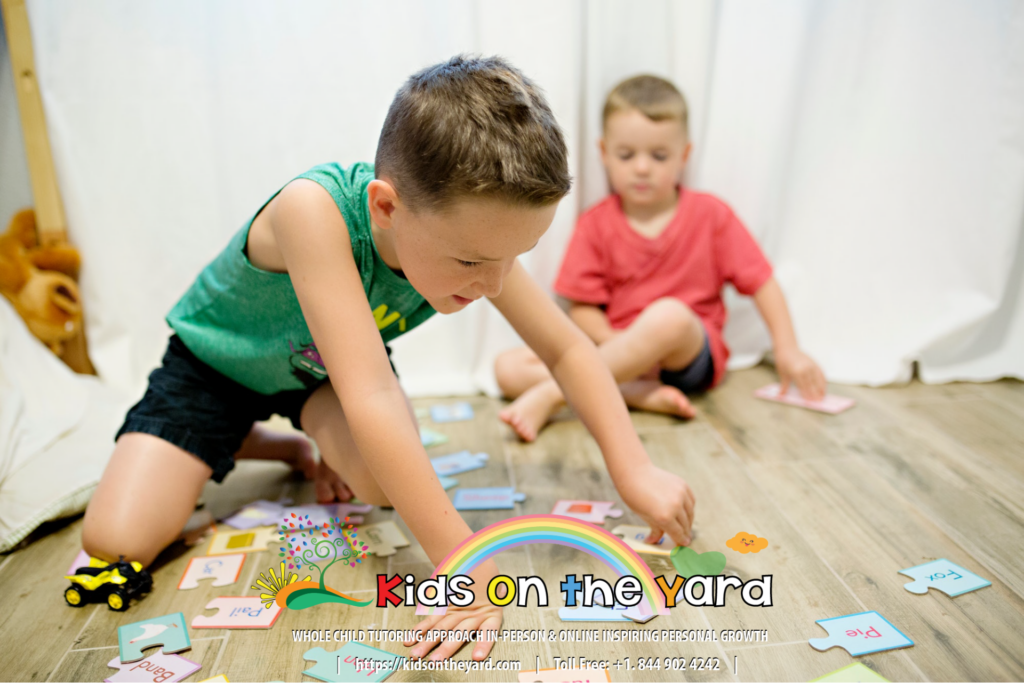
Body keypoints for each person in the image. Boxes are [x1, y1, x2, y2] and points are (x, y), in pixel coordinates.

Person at [81, 57, 695, 662]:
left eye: (518, 253)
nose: (495, 282)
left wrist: (633, 469)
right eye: (471, 261)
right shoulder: (310, 208)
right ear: (385, 208)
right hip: (215, 370)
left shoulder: (483, 241)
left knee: (377, 485)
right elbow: (371, 395)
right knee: (114, 542)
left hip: (320, 377)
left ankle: (292, 438)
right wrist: (464, 568)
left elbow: (564, 347)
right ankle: (251, 437)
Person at [495, 74, 826, 442]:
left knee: (669, 316)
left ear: (684, 155)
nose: (641, 167)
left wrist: (788, 349)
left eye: (659, 155)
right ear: (603, 153)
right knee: (506, 367)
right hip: (616, 353)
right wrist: (622, 346)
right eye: (626, 155)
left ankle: (554, 394)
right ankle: (631, 392)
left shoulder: (712, 215)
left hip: (686, 357)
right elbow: (582, 309)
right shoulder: (595, 224)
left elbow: (762, 283)